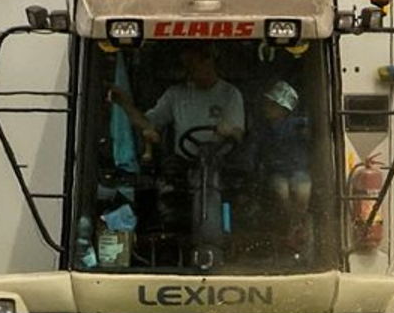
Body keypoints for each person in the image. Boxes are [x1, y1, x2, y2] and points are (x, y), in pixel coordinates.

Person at [110, 44, 245, 156]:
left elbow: (238, 135)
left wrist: (229, 132)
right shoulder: (176, 94)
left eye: (192, 64)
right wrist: (125, 104)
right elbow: (149, 124)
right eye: (185, 66)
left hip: (221, 166)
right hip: (182, 168)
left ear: (208, 61)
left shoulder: (230, 94)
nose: (188, 71)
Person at [239, 80, 313, 240]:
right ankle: (290, 222)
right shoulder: (261, 129)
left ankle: (299, 222)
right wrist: (250, 169)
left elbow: (311, 131)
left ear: (285, 110)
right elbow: (252, 150)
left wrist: (308, 132)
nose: (267, 108)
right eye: (267, 104)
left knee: (303, 191)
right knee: (281, 190)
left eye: (273, 105)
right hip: (275, 172)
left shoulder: (298, 124)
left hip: (298, 170)